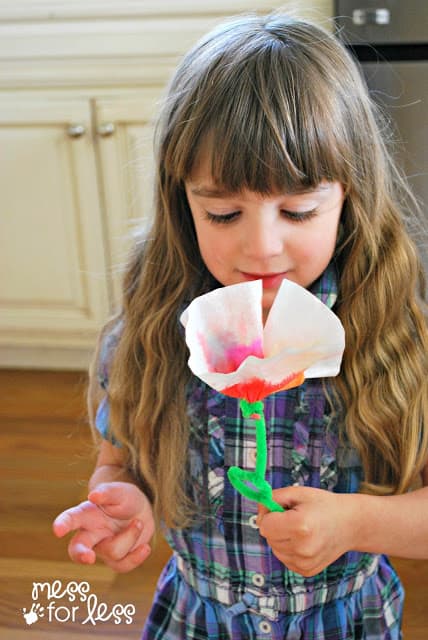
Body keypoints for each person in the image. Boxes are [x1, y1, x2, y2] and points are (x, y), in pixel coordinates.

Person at [53, 11, 428, 639]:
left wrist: (356, 524)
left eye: (299, 210)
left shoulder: (395, 339)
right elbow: (119, 463)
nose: (261, 249)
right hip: (197, 620)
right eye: (224, 213)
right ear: (183, 203)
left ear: (350, 198)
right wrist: (125, 502)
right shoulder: (149, 337)